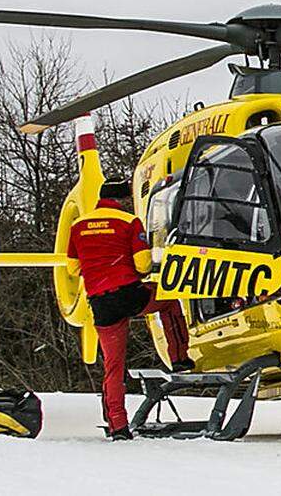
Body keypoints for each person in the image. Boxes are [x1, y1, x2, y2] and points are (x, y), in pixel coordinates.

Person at [66, 179, 194, 441]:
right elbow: (143, 264)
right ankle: (179, 358)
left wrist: (97, 268)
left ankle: (118, 426)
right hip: (129, 294)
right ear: (122, 199)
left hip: (101, 302)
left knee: (114, 367)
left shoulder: (78, 226)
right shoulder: (129, 222)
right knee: (169, 301)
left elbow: (72, 268)